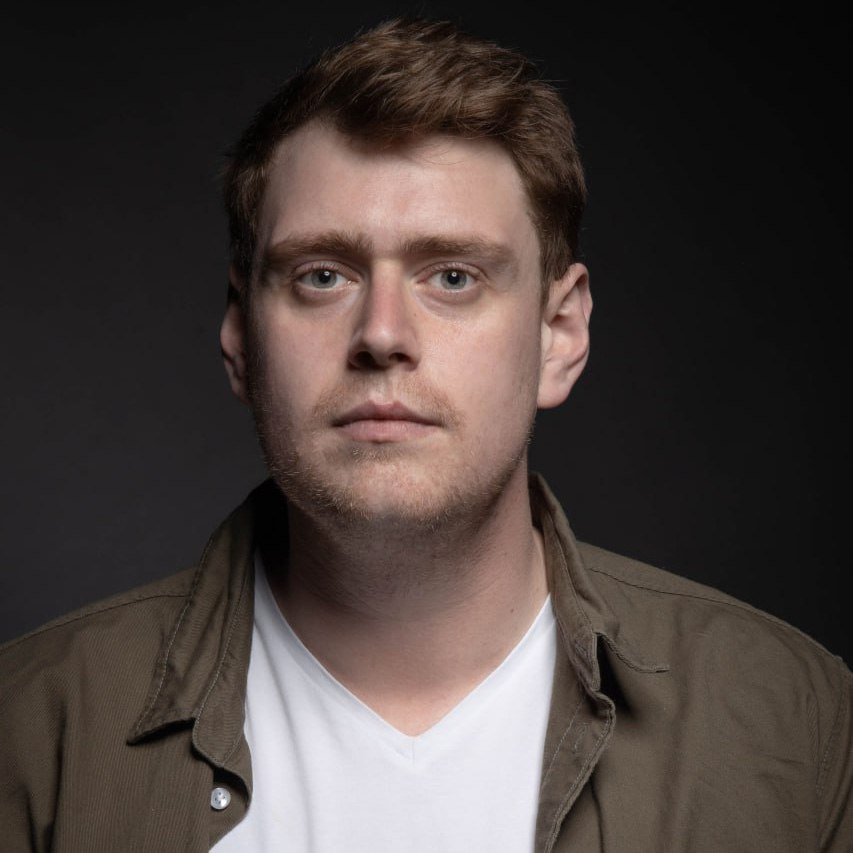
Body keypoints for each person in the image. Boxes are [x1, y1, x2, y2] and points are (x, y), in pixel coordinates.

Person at [0, 16, 849, 852]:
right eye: (321, 275)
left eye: (452, 276)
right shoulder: (33, 727)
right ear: (240, 335)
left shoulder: (794, 722)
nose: (381, 334)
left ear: (559, 334)